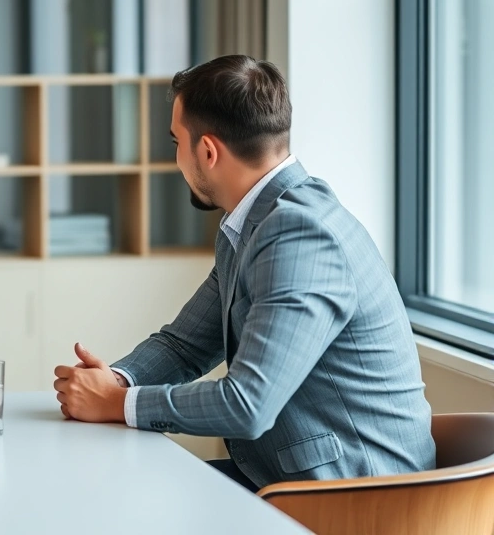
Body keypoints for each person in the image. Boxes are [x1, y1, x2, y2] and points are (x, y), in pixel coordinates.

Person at [53, 55, 435, 491]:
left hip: (354, 498)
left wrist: (119, 404)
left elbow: (249, 405)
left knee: (139, 500)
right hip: (293, 479)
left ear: (208, 151)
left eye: (177, 141)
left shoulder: (299, 234)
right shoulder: (254, 224)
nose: (177, 157)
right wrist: (116, 381)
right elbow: (184, 346)